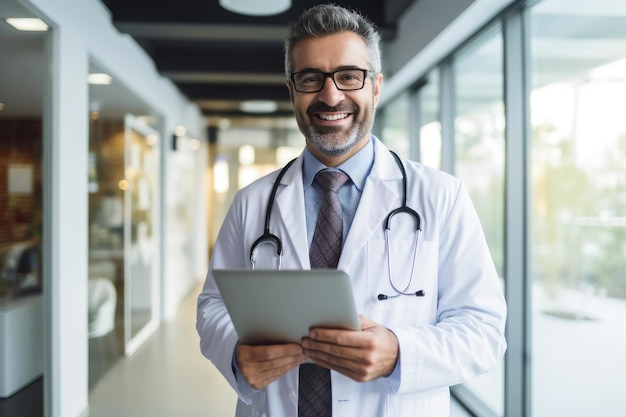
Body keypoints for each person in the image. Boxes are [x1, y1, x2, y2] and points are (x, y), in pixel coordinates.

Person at [196, 4, 507, 416]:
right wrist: (236, 353)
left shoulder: (441, 197)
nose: (330, 95)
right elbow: (213, 305)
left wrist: (399, 352)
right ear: (292, 90)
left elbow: (483, 329)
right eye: (310, 79)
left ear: (375, 87)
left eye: (349, 76)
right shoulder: (253, 201)